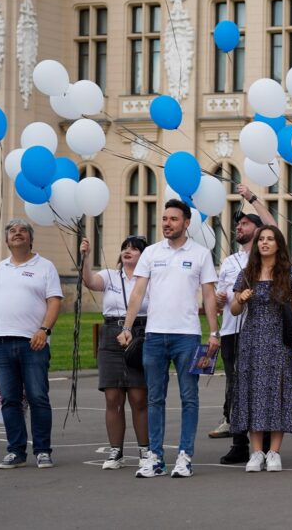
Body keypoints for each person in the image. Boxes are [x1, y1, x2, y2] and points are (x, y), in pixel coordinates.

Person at [118, 199, 220, 479]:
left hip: (187, 336)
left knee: (189, 397)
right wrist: (127, 326)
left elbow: (209, 294)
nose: (166, 223)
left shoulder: (200, 254)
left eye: (173, 219)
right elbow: (138, 292)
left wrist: (214, 332)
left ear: (186, 223)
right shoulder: (150, 253)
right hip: (154, 335)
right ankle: (155, 457)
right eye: (164, 218)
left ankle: (185, 456)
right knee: (155, 398)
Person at [230, 225, 292, 472]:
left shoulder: (289, 273)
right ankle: (256, 453)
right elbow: (234, 309)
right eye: (261, 239)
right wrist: (240, 299)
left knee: (277, 392)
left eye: (270, 239)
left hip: (279, 340)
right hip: (251, 340)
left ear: (278, 244)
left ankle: (274, 452)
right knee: (253, 392)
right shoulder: (246, 273)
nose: (264, 243)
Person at [0, 219, 62, 470]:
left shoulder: (45, 266)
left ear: (31, 239)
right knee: (10, 400)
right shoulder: (0, 268)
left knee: (38, 397)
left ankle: (42, 450)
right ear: (7, 240)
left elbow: (54, 301)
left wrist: (44, 329)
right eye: (12, 231)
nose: (17, 234)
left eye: (22, 231)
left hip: (34, 342)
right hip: (0, 343)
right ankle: (16, 451)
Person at [213, 186, 277, 464]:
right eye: (237, 224)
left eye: (245, 223)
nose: (239, 227)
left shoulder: (265, 256)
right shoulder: (228, 261)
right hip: (231, 331)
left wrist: (252, 198)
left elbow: (275, 228)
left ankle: (260, 445)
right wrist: (218, 301)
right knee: (236, 386)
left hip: (261, 330)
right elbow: (218, 301)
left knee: (260, 386)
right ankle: (240, 442)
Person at [80, 235, 150, 470]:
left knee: (139, 397)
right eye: (125, 248)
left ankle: (144, 450)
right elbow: (90, 282)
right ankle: (115, 451)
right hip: (111, 332)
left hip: (140, 333)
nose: (128, 251)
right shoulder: (110, 276)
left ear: (144, 255)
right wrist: (86, 258)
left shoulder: (149, 277)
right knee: (113, 397)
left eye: (134, 248)